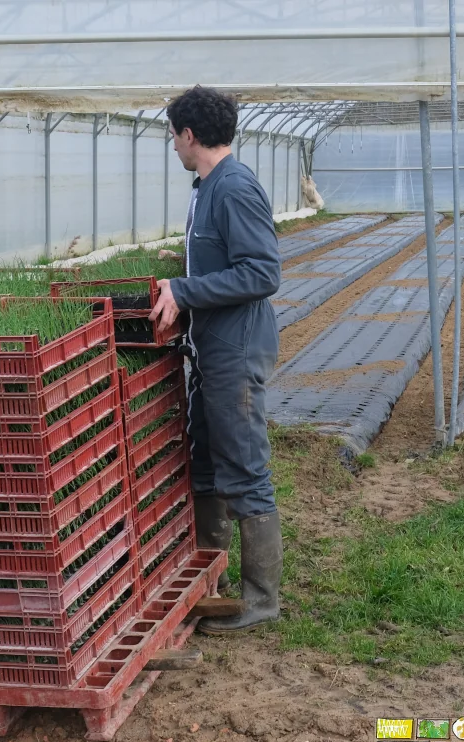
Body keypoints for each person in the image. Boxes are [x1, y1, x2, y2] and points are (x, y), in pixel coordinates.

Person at [148, 85, 282, 634]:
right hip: (212, 347)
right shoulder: (207, 188)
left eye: (173, 136)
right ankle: (210, 580)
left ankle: (260, 600)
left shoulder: (233, 188)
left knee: (243, 469)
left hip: (236, 351)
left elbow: (262, 272)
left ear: (189, 134)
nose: (173, 147)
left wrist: (186, 290)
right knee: (204, 463)